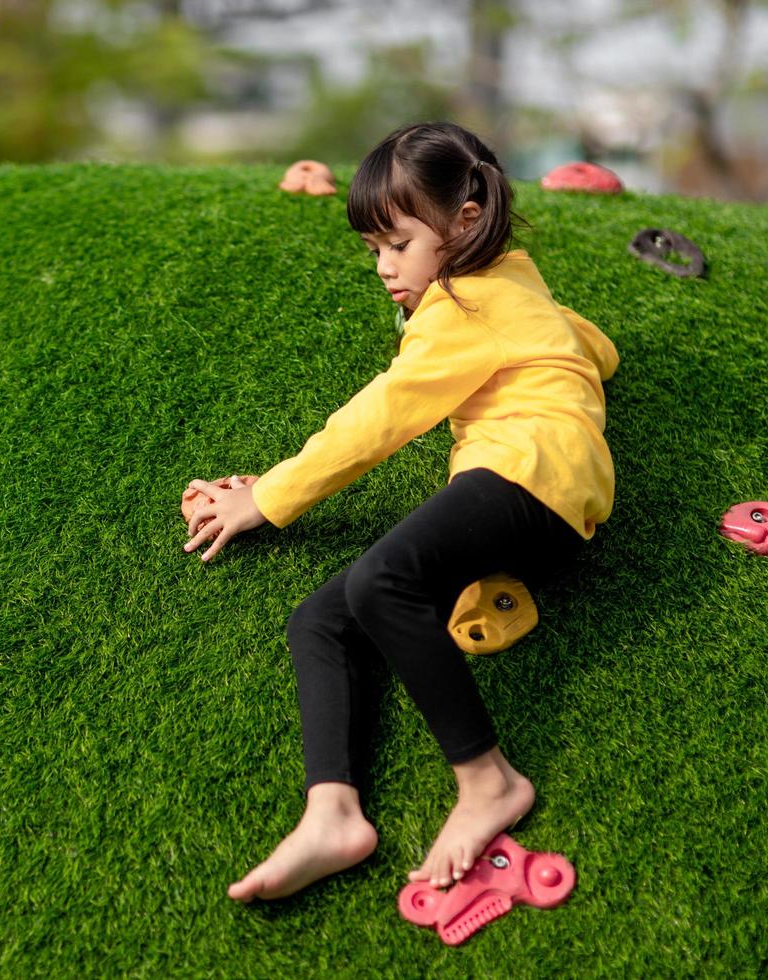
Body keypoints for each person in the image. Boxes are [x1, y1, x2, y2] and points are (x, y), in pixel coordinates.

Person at [182, 121, 619, 903]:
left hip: (533, 474)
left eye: (398, 244)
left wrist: (267, 497)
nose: (384, 268)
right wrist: (587, 365)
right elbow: (594, 345)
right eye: (374, 249)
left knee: (384, 581)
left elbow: (379, 417)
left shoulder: (463, 307)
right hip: (539, 489)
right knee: (322, 619)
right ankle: (333, 812)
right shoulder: (520, 284)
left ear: (467, 219)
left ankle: (488, 782)